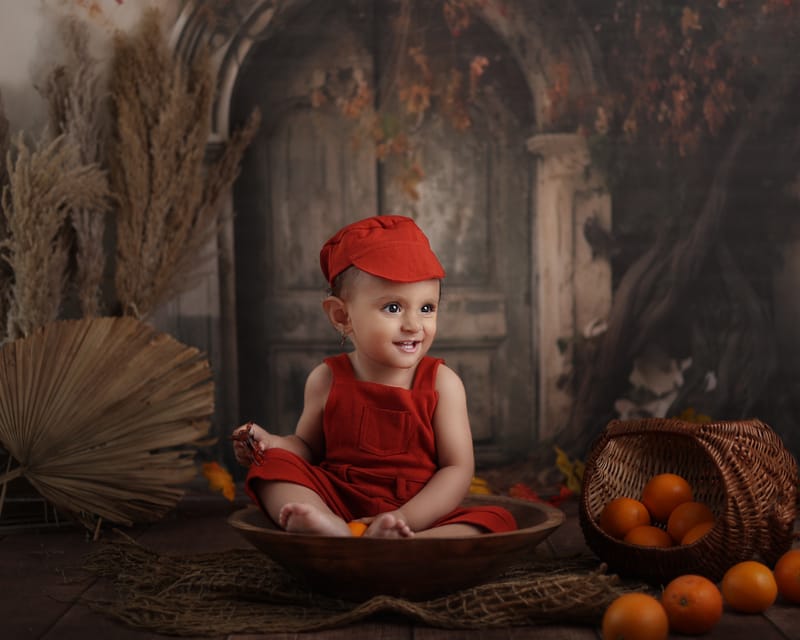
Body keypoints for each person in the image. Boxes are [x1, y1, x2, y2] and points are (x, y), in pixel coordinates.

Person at [233, 214, 517, 538]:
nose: (414, 324)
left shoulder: (442, 384)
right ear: (342, 316)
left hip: (416, 508)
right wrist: (270, 444)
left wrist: (405, 517)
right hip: (338, 498)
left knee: (496, 521)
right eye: (393, 308)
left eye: (427, 308)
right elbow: (307, 448)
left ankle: (406, 540)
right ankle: (328, 527)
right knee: (270, 469)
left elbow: (457, 469)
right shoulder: (326, 379)